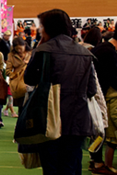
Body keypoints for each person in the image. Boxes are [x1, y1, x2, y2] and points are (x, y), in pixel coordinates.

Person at [24, 9, 97, 174]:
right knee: (72, 166)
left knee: (51, 167)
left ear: (49, 27)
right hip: (78, 120)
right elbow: (91, 89)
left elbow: (29, 79)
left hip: (49, 119)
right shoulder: (85, 52)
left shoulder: (43, 50)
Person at [90, 35, 117, 174]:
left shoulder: (103, 48)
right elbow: (113, 78)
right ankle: (98, 163)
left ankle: (95, 159)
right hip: (98, 96)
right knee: (100, 131)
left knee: (98, 131)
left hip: (94, 94)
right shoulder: (109, 52)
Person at [4, 37, 29, 117]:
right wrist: (15, 76)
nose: (19, 51)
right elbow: (8, 71)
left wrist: (28, 63)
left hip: (30, 82)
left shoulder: (31, 54)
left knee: (29, 107)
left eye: (21, 48)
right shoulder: (11, 55)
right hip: (18, 85)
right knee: (21, 107)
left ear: (25, 45)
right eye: (17, 49)